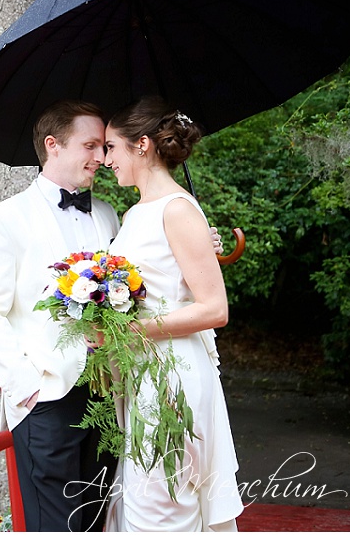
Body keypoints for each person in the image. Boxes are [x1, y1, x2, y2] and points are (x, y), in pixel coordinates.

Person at [0, 100, 222, 531]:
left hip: (113, 394)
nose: (101, 159)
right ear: (53, 146)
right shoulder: (4, 219)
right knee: (57, 525)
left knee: (98, 519)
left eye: (105, 147)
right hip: (48, 397)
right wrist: (27, 388)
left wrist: (201, 243)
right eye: (90, 146)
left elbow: (145, 281)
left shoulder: (107, 213)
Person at [101, 95, 244, 531]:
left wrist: (133, 330)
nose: (106, 160)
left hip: (173, 376)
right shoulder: (135, 213)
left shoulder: (178, 209)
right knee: (152, 502)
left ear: (141, 145)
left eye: (110, 147)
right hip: (143, 373)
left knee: (161, 509)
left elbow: (214, 308)